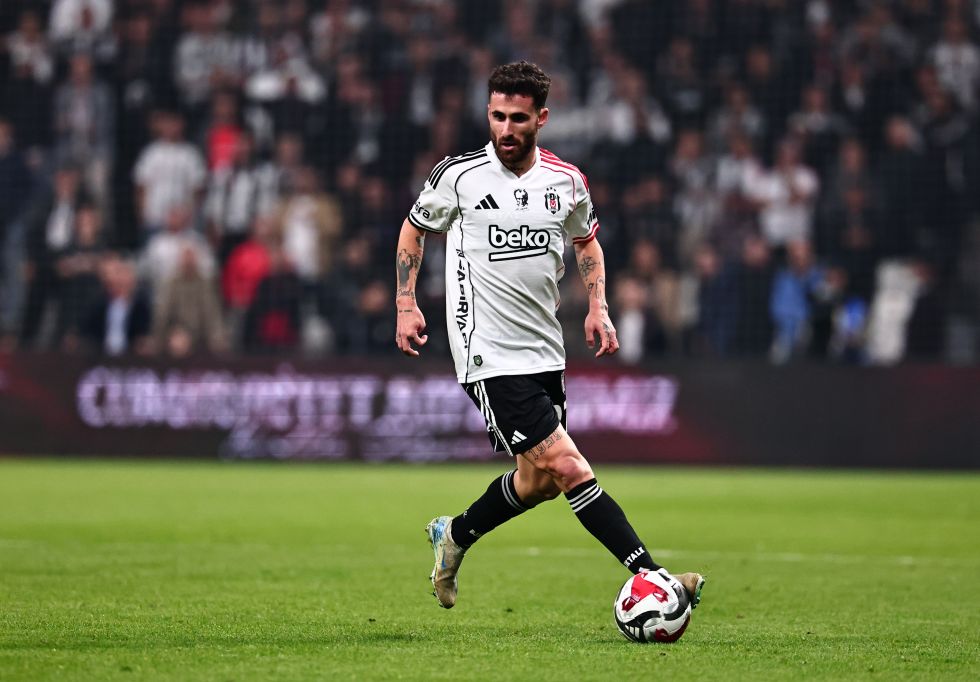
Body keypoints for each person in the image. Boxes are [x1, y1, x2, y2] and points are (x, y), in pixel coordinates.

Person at [393, 61, 705, 610]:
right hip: (487, 352)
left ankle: (455, 534)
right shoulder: (459, 177)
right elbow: (414, 230)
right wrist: (405, 302)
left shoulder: (566, 181)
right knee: (569, 466)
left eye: (518, 118)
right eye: (497, 117)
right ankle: (657, 579)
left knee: (537, 482)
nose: (506, 129)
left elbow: (587, 243)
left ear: (541, 118)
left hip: (543, 348)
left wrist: (598, 306)